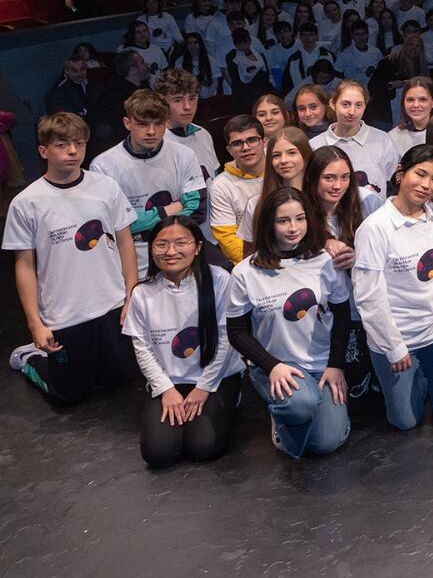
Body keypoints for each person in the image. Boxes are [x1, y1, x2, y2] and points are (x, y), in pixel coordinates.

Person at [5, 113, 141, 404]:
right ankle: (30, 356)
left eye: (79, 144)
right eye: (62, 144)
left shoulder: (106, 187)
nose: (73, 151)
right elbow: (25, 265)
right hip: (64, 313)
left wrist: (131, 295)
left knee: (123, 379)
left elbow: (125, 241)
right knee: (68, 394)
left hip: (111, 305)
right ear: (43, 151)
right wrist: (35, 324)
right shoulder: (27, 203)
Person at [225, 187, 352, 458]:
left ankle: (303, 410)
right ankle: (286, 412)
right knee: (302, 404)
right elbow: (237, 333)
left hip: (321, 364)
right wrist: (272, 366)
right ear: (268, 224)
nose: (293, 228)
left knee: (327, 443)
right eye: (283, 221)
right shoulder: (245, 272)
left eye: (300, 218)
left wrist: (336, 365)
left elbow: (342, 315)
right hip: (276, 365)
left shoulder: (324, 261)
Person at [352, 144, 433, 430]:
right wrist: (393, 348)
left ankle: (430, 376)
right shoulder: (375, 228)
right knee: (406, 422)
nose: (427, 185)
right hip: (397, 339)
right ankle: (408, 378)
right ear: (400, 173)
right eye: (420, 174)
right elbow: (369, 298)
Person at [123, 216, 242, 468]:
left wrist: (204, 387)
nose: (171, 251)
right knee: (158, 453)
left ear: (198, 247)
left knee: (202, 446)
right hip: (171, 382)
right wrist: (165, 389)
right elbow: (142, 348)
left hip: (215, 378)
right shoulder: (143, 292)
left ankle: (231, 399)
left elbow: (226, 338)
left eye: (181, 243)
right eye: (161, 244)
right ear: (152, 249)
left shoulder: (220, 280)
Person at [89, 89, 206, 275]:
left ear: (167, 122)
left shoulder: (185, 155)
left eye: (158, 124)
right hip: (131, 256)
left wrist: (145, 226)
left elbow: (197, 208)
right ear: (128, 123)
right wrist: (164, 212)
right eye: (143, 124)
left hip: (179, 248)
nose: (151, 131)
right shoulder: (103, 166)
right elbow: (111, 225)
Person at [311, 81, 400, 200]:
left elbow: (391, 179)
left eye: (359, 105)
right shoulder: (315, 145)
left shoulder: (382, 140)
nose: (352, 112)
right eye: (346, 104)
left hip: (374, 216)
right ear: (333, 103)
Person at [207, 115, 265, 264]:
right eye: (238, 143)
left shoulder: (280, 170)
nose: (246, 147)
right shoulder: (221, 185)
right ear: (229, 150)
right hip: (250, 262)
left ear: (264, 142)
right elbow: (227, 236)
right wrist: (255, 265)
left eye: (252, 140)